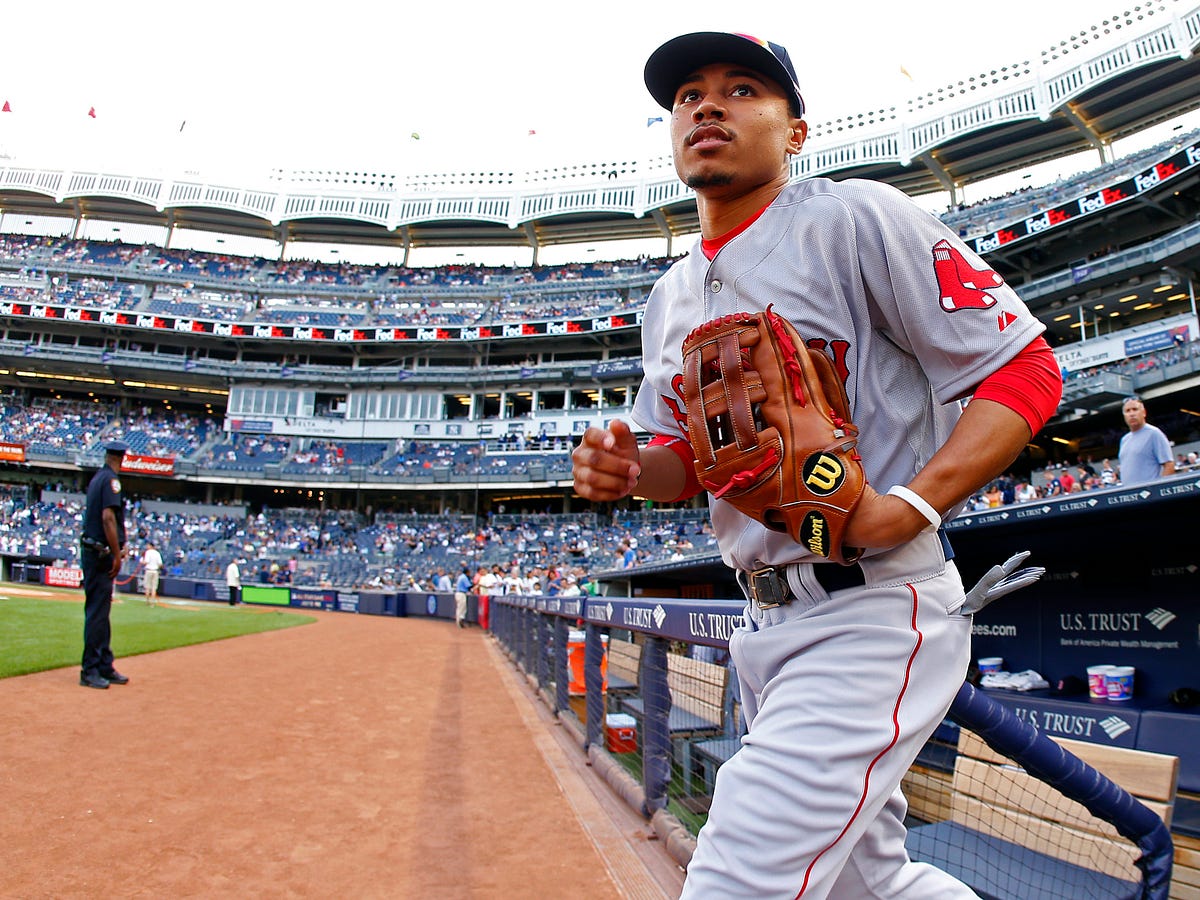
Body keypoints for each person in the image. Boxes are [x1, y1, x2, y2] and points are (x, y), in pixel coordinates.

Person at [572, 31, 1062, 898]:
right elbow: (681, 460)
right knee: (868, 886)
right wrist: (629, 469)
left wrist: (910, 502)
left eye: (743, 89)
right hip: (764, 622)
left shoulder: (852, 218)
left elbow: (1024, 368)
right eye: (688, 94)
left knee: (735, 882)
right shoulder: (669, 297)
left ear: (795, 131)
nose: (708, 105)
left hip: (873, 605)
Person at [80, 441, 131, 689]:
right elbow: (108, 518)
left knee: (101, 614)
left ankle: (103, 665)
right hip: (99, 555)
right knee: (97, 614)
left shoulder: (98, 478)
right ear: (122, 458)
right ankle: (90, 670)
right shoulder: (111, 480)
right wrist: (117, 554)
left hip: (96, 551)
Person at [1118, 396, 1175, 485]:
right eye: (1128, 411)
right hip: (1129, 494)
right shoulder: (1124, 440)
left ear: (1144, 412)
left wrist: (1159, 490)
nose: (1131, 414)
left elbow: (1169, 465)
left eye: (1135, 409)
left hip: (1150, 494)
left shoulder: (1154, 433)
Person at [141, 540, 163, 606]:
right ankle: (152, 603)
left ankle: (147, 602)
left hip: (148, 570)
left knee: (147, 587)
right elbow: (160, 564)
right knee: (154, 587)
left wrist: (142, 562)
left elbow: (146, 561)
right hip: (155, 571)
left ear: (151, 546)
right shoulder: (157, 553)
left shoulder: (148, 552)